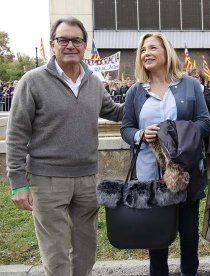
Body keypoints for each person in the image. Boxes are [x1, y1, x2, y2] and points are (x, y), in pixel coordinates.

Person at [6, 17, 124, 276]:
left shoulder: (93, 81)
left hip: (86, 179)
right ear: (53, 45)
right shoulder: (32, 81)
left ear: (84, 46)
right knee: (56, 256)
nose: (70, 45)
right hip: (47, 181)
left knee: (85, 251)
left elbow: (115, 112)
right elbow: (16, 135)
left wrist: (149, 99)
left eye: (76, 40)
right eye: (63, 40)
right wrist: (18, 183)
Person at [120, 32, 210, 276]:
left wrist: (175, 133)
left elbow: (205, 123)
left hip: (185, 173)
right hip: (150, 175)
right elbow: (126, 129)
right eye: (142, 50)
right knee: (156, 236)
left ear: (166, 52)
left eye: (152, 48)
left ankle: (189, 271)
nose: (146, 53)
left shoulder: (190, 85)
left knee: (189, 234)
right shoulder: (135, 92)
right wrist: (141, 134)